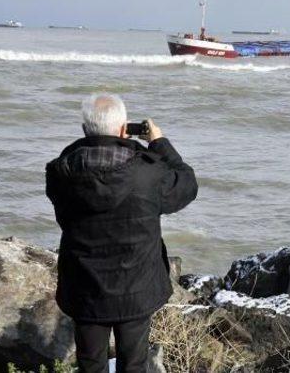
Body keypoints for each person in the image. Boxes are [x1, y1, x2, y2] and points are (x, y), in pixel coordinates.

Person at [46, 93, 198, 373]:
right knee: (134, 364)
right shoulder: (149, 174)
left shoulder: (60, 173)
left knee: (90, 365)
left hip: (85, 286)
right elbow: (187, 185)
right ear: (122, 129)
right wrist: (158, 143)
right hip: (135, 287)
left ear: (85, 130)